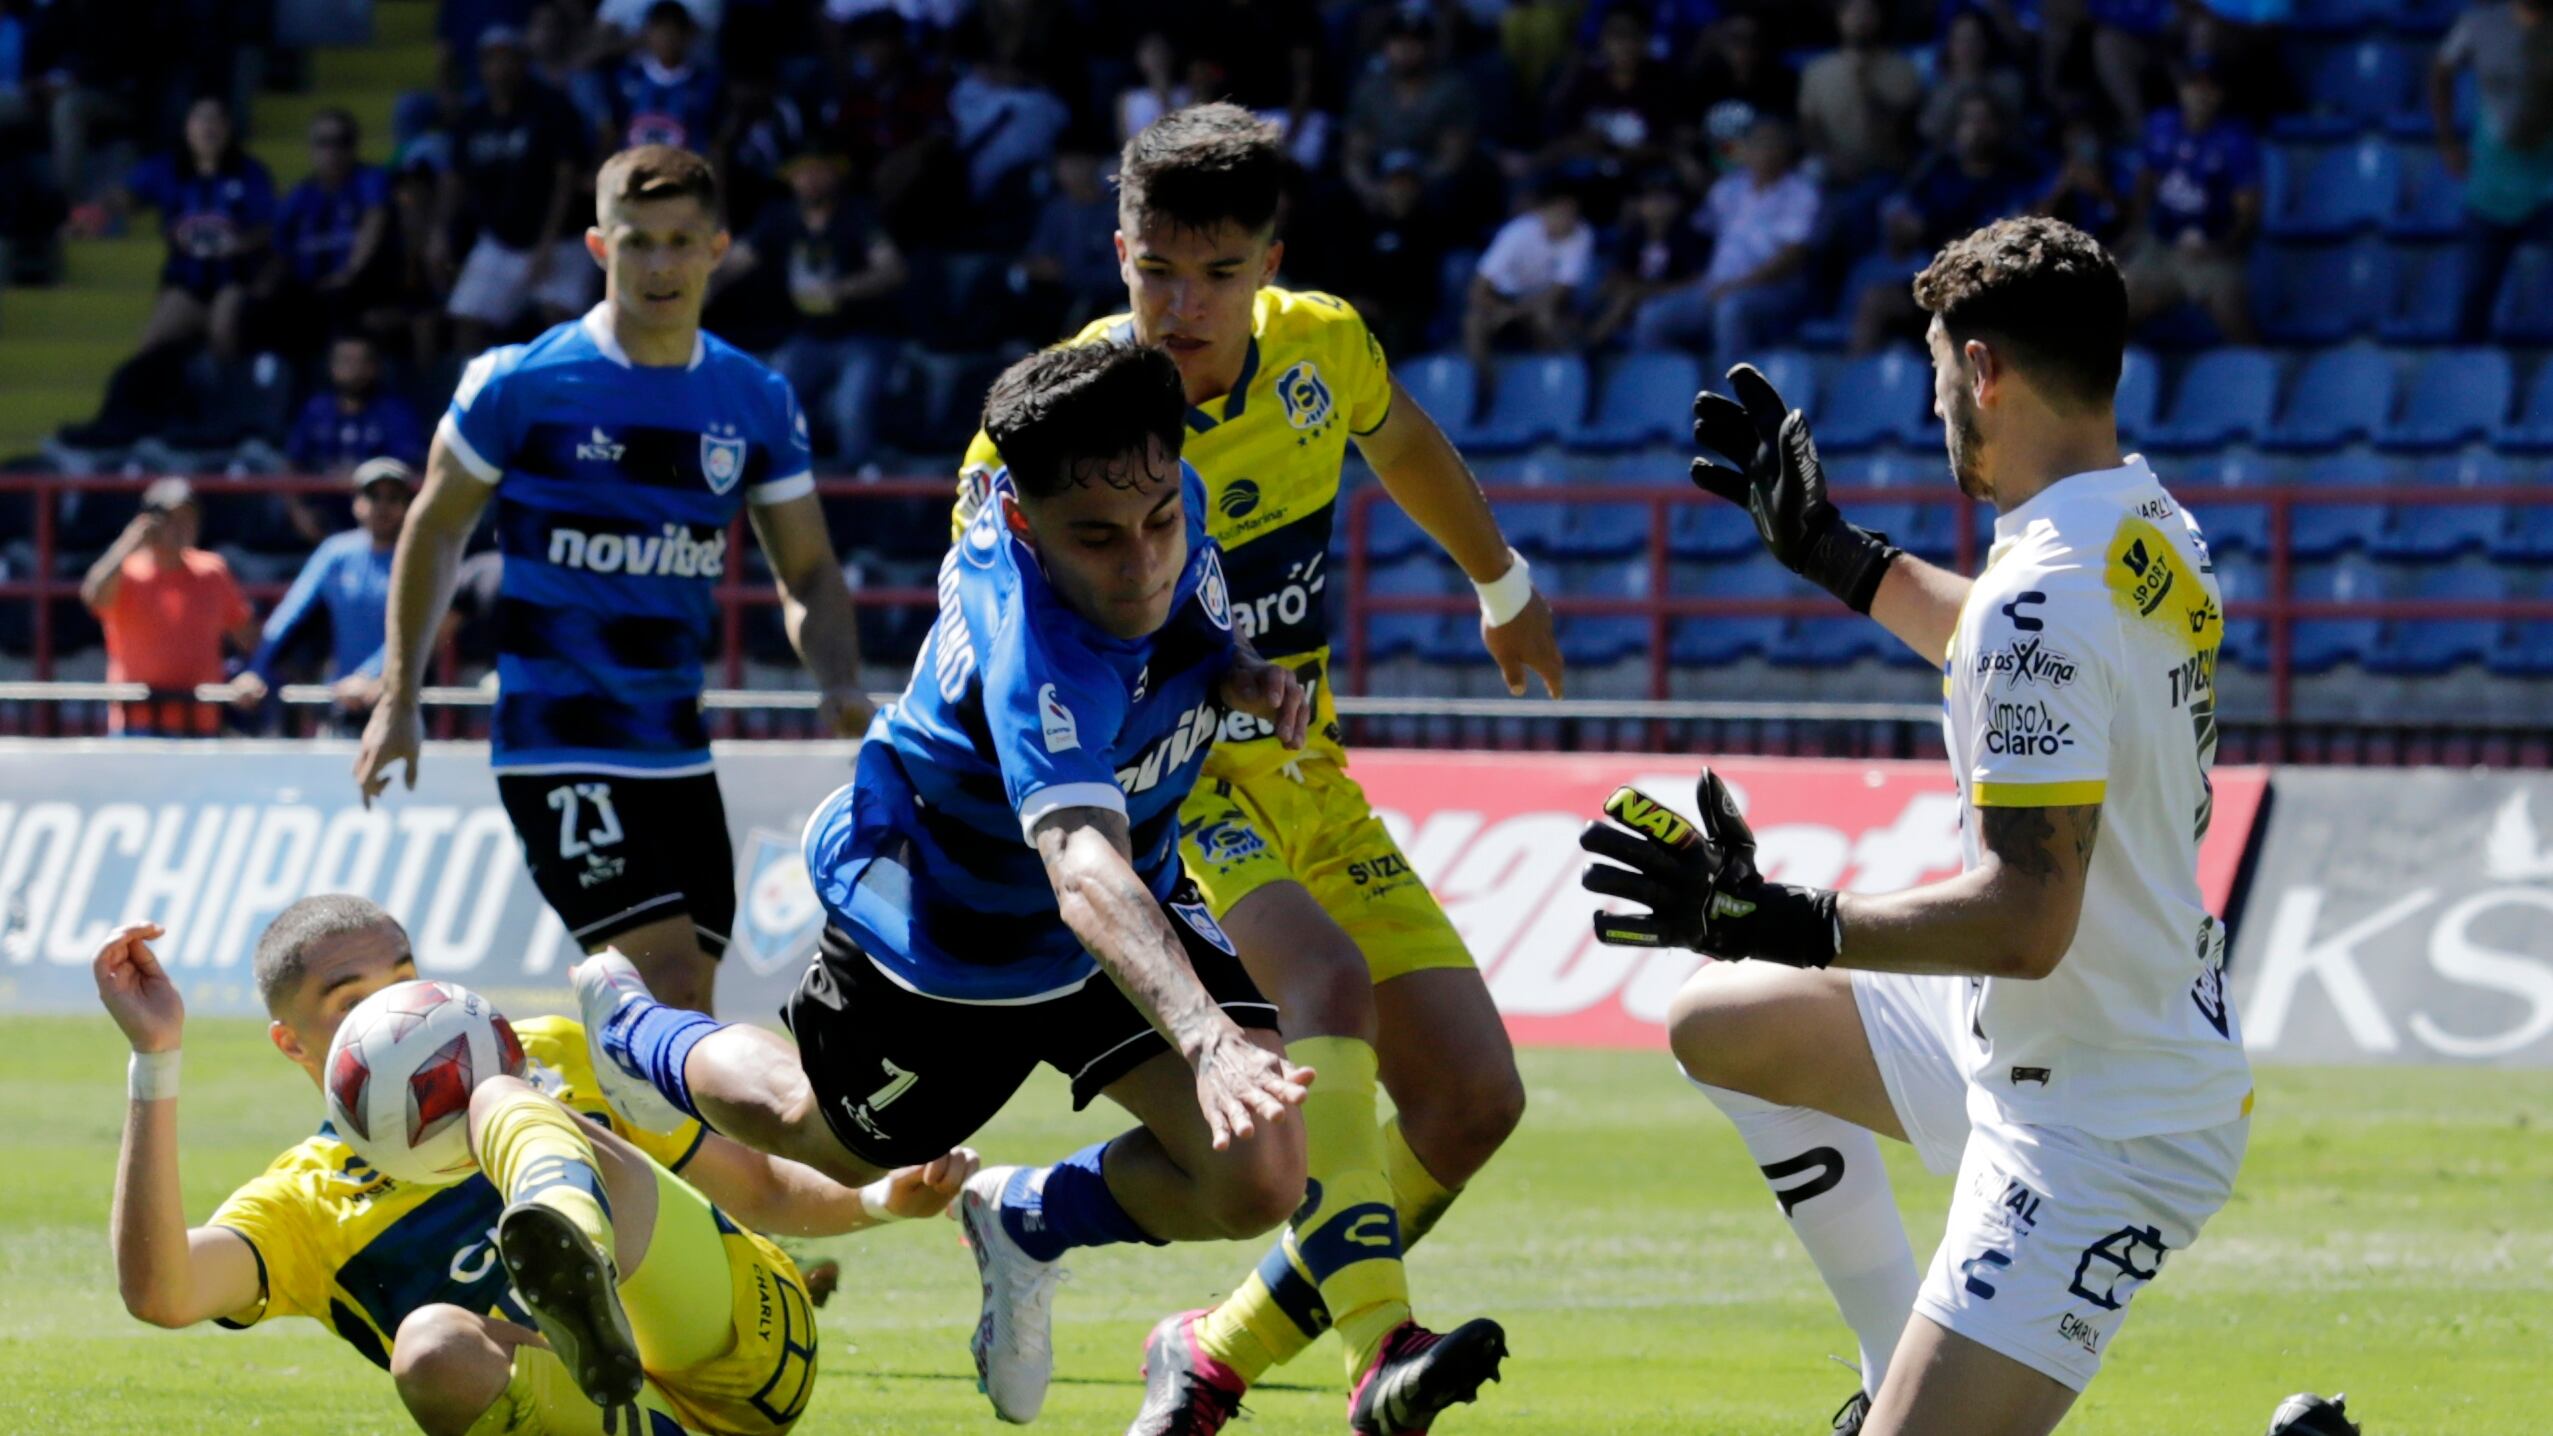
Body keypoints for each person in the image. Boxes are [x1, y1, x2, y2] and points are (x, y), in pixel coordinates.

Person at [577, 340, 1375, 1429]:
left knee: (1257, 1176)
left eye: (1157, 524)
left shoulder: (1146, 483)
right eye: (1097, 538)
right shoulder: (1033, 652)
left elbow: (1180, 601)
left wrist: (1227, 667)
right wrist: (1201, 1030)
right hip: (945, 938)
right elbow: (1078, 864)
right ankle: (632, 1030)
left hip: (1119, 908)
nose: (1140, 557)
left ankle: (1026, 1215)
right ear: (1016, 518)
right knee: (815, 1127)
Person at [1581, 216, 2249, 1436]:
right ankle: (1898, 1351)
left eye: (1942, 372)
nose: (1939, 405)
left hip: (2100, 1118)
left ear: (1984, 370)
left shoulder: (2039, 595)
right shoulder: (2150, 529)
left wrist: (1770, 917)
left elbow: (2024, 917)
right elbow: (2014, 653)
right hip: (2083, 1035)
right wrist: (1842, 558)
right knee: (1722, 1024)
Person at [954, 104, 1559, 1436]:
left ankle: (1202, 1348)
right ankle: (1378, 1342)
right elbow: (985, 621)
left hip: (1302, 758)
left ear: (1268, 263)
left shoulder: (1322, 347)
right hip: (1164, 783)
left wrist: (1501, 582)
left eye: (1219, 274)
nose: (1184, 304)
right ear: (1119, 252)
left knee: (1469, 1102)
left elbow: (1398, 439)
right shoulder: (1054, 421)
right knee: (1326, 985)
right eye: (1156, 270)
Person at [92, 894, 977, 1435]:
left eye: (404, 977)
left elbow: (755, 1186)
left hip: (750, 1346)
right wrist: (155, 1057)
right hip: (626, 1421)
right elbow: (161, 1294)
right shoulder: (304, 1205)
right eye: (354, 1000)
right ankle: (581, 1308)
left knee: (499, 1096)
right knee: (430, 1347)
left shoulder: (539, 1050)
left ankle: (569, 1227)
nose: (398, 1011)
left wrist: (871, 1200)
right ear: (293, 1045)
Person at [355, 144, 872, 1018]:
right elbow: (435, 526)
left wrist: (840, 680)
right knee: (664, 983)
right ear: (599, 249)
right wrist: (399, 693)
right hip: (555, 735)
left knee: (685, 1008)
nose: (660, 265)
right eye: (638, 242)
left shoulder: (754, 399)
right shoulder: (518, 383)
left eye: (681, 241)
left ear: (717, 249)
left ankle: (569, 1128)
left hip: (673, 738)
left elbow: (811, 569)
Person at [716, 150, 906, 464]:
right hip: (809, 338)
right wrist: (699, 280)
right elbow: (737, 261)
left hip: (865, 337)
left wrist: (842, 290)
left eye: (820, 171)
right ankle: (771, 478)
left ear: (836, 175)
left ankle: (863, 485)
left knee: (851, 407)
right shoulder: (778, 217)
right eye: (803, 172)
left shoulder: (857, 215)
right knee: (772, 396)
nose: (811, 180)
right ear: (790, 178)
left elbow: (892, 269)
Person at [437, 25, 594, 357]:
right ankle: (475, 396)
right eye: (492, 60)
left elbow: (567, 178)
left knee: (560, 323)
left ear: (524, 62)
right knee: (466, 318)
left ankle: (563, 400)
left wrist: (547, 242)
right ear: (480, 66)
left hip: (560, 237)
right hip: (501, 240)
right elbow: (456, 179)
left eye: (508, 58)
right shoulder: (474, 118)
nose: (500, 68)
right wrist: (439, 232)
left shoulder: (552, 108)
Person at [79, 478, 261, 737]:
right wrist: (129, 543)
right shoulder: (127, 573)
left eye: (189, 518)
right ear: (149, 523)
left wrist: (250, 675)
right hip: (137, 722)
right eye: (172, 519)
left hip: (200, 720)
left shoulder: (212, 571)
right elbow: (93, 596)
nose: (182, 528)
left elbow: (247, 636)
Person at [244, 457, 417, 727]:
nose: (382, 506)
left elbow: (415, 631)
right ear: (357, 503)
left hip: (400, 707)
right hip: (341, 704)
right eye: (373, 496)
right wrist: (255, 670)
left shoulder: (420, 559)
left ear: (408, 506)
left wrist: (371, 675)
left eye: (393, 498)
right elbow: (289, 615)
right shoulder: (336, 553)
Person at [1631, 115, 1818, 360]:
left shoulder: (1801, 193)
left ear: (1786, 151)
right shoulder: (1730, 187)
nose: (1762, 150)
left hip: (1773, 289)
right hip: (1717, 285)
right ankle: (1668, 390)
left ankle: (1729, 393)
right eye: (1757, 143)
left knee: (1730, 309)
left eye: (1771, 143)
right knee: (1652, 317)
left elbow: (1793, 257)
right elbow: (1696, 233)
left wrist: (1738, 285)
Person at [2430, 0, 2553, 341]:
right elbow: (2441, 71)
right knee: (2474, 297)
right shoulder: (2478, 25)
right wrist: (2447, 142)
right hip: (2491, 188)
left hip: (2547, 185)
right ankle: (2463, 381)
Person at [125, 94, 276, 364]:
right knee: (149, 350)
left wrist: (237, 245)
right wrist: (100, 210)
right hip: (187, 285)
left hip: (236, 281)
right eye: (200, 118)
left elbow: (269, 228)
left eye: (216, 118)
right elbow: (128, 195)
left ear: (229, 127)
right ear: (187, 127)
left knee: (225, 329)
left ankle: (231, 397)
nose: (209, 126)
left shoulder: (251, 173)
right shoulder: (167, 168)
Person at [2121, 59, 2260, 344]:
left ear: (2222, 94)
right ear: (2181, 89)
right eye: (2194, 84)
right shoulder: (2162, 125)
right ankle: (2120, 382)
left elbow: (2248, 214)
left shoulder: (2236, 141)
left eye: (2210, 86)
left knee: (2231, 310)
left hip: (2212, 248)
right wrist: (2137, 228)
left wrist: (2219, 249)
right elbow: (2146, 178)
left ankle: (2260, 375)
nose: (2201, 93)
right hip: (2162, 245)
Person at [268, 108, 397, 360]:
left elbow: (374, 224)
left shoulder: (370, 181)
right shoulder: (300, 195)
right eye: (323, 142)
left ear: (354, 145)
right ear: (311, 149)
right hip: (308, 289)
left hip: (360, 286)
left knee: (340, 302)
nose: (333, 151)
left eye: (342, 141)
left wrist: (349, 273)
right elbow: (279, 248)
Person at [1463, 182, 1594, 382]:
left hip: (1544, 301)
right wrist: (1502, 308)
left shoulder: (1582, 234)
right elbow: (1477, 289)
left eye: (1571, 213)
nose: (1566, 219)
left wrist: (1514, 312)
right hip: (1505, 298)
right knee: (1474, 321)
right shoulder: (1518, 232)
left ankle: (1553, 380)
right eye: (1560, 212)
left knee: (1546, 319)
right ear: (1542, 211)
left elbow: (1561, 291)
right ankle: (1480, 384)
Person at [603, 0, 722, 154]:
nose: (666, 40)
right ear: (647, 33)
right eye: (660, 32)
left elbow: (715, 141)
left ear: (687, 35)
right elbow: (611, 133)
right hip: (633, 169)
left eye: (673, 33)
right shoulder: (625, 78)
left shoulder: (706, 84)